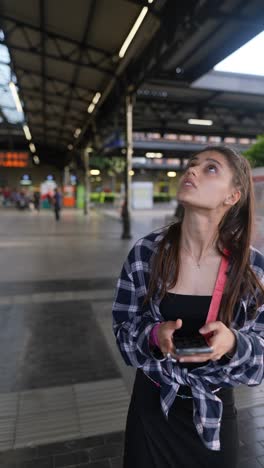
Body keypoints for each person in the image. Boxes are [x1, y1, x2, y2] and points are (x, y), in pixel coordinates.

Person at [112, 145, 264, 468]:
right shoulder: (146, 255)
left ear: (233, 196)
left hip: (213, 415)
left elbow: (260, 361)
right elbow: (123, 335)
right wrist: (154, 337)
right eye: (192, 165)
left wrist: (233, 344)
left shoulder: (252, 269)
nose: (191, 171)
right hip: (152, 410)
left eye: (210, 168)